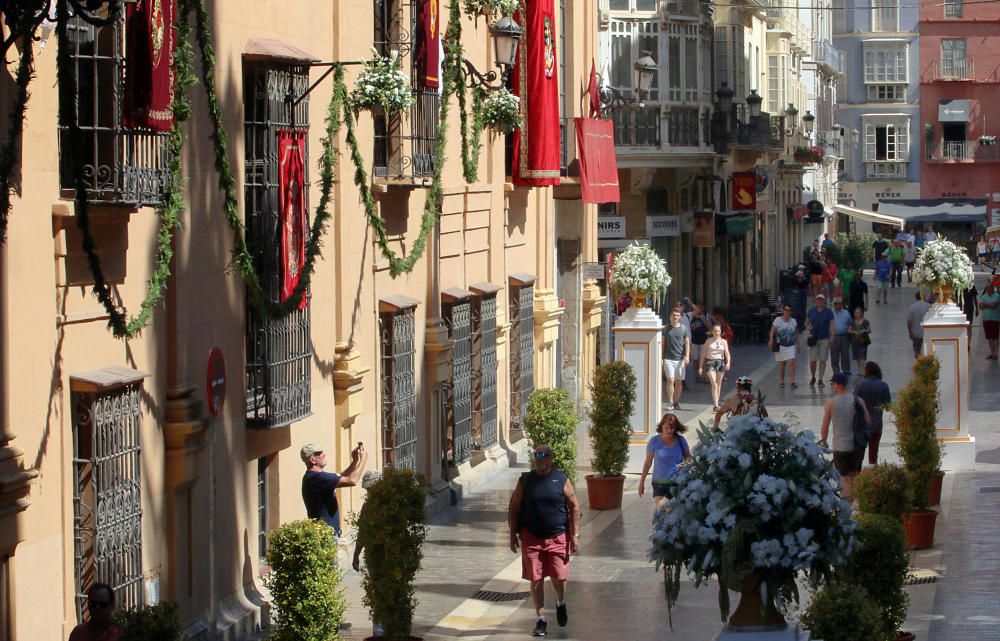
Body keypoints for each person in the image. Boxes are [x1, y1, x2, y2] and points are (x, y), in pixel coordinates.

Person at [508, 444, 581, 637]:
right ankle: (540, 619)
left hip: (558, 536)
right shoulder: (526, 480)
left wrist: (575, 535)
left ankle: (560, 602)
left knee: (559, 576)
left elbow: (574, 506)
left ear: (551, 457)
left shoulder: (561, 479)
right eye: (536, 455)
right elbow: (515, 506)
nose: (540, 458)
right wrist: (512, 534)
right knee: (536, 579)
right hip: (531, 537)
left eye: (544, 455)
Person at [819, 372, 871, 499]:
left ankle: (846, 503)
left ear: (836, 385)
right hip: (857, 445)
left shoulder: (831, 403)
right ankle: (854, 500)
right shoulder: (858, 400)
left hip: (840, 446)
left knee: (843, 476)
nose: (832, 386)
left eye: (832, 384)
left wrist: (824, 442)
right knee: (854, 475)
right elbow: (868, 421)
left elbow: (824, 427)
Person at [301, 441, 368, 537]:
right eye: (320, 453)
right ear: (313, 460)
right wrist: (363, 459)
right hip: (326, 535)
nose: (324, 455)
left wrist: (355, 461)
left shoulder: (318, 476)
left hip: (328, 533)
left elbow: (342, 476)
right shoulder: (316, 478)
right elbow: (352, 480)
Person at [638, 413, 693, 509]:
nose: (669, 430)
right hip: (659, 483)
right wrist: (641, 482)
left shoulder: (681, 440)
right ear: (662, 426)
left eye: (672, 428)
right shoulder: (654, 441)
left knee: (676, 513)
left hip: (677, 482)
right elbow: (648, 463)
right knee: (663, 509)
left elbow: (688, 457)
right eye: (666, 427)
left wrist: (687, 464)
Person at [854, 362, 891, 465]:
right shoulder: (884, 385)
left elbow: (854, 403)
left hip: (861, 424)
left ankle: (857, 475)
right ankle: (872, 474)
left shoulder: (860, 385)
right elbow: (888, 406)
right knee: (873, 453)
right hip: (877, 424)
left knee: (859, 453)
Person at [662, 308, 691, 410]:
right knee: (670, 379)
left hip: (680, 359)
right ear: (670, 316)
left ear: (680, 317)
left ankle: (676, 401)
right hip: (668, 358)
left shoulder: (683, 328)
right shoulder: (666, 328)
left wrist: (687, 356)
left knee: (678, 382)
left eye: (677, 315)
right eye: (674, 315)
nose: (675, 317)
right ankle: (670, 402)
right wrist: (662, 357)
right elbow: (663, 343)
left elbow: (687, 343)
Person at [699, 324, 732, 409]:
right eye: (715, 331)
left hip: (720, 362)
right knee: (714, 383)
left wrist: (728, 362)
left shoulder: (724, 342)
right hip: (710, 362)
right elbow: (704, 354)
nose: (717, 333)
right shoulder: (709, 341)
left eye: (718, 331)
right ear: (712, 332)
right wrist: (700, 366)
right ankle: (716, 403)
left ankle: (716, 403)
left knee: (718, 384)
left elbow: (727, 353)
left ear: (721, 332)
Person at [806, 294, 835, 387]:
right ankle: (813, 376)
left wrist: (832, 335)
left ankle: (821, 379)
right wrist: (808, 326)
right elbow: (806, 322)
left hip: (824, 338)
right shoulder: (811, 311)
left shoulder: (829, 312)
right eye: (818, 300)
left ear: (824, 301)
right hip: (814, 338)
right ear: (816, 301)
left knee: (823, 359)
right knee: (812, 360)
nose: (820, 302)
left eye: (821, 300)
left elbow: (832, 324)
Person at [769, 304, 798, 389]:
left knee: (791, 362)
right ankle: (781, 381)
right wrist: (771, 339)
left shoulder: (793, 321)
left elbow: (796, 333)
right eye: (785, 310)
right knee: (781, 364)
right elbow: (772, 331)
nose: (787, 312)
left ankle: (792, 381)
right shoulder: (778, 320)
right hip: (780, 345)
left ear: (791, 312)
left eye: (788, 310)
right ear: (783, 311)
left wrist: (798, 344)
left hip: (790, 345)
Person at [686, 303, 713, 383]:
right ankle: (697, 376)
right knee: (695, 359)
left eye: (701, 308)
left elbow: (711, 328)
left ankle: (704, 375)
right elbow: (688, 327)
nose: (699, 309)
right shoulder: (691, 316)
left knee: (704, 359)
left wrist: (704, 320)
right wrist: (692, 326)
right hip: (694, 341)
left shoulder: (706, 315)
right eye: (698, 307)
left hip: (704, 341)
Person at [829, 297, 853, 377]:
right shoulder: (830, 312)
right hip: (833, 336)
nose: (836, 305)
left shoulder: (846, 313)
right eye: (835, 304)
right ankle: (836, 371)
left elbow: (851, 322)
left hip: (844, 336)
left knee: (845, 354)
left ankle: (846, 370)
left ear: (841, 304)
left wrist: (850, 327)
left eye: (838, 303)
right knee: (834, 355)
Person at [906, 292, 932, 358]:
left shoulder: (912, 307)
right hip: (927, 331)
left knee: (917, 348)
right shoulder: (929, 306)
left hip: (916, 332)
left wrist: (910, 332)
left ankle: (918, 361)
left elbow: (909, 321)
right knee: (927, 348)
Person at [848, 306, 872, 375]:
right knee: (856, 356)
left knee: (862, 356)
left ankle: (862, 371)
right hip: (854, 342)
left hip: (863, 342)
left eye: (858, 312)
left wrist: (863, 330)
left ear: (861, 314)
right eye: (855, 312)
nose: (856, 314)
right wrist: (854, 332)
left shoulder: (865, 321)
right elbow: (849, 330)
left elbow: (869, 330)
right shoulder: (852, 322)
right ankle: (860, 369)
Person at [981, 282, 1000, 360]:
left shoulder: (997, 296)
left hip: (995, 319)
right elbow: (980, 306)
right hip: (986, 319)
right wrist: (989, 305)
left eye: (989, 288)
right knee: (989, 338)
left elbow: (994, 305)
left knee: (995, 337)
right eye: (987, 288)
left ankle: (995, 353)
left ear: (992, 288)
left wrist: (985, 305)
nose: (987, 289)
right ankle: (991, 353)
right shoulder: (984, 296)